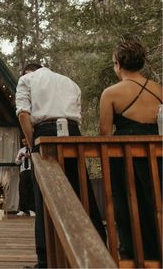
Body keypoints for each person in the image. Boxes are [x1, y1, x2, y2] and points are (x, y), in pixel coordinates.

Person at [16, 62, 105, 269]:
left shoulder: (26, 80)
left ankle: (46, 260)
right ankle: (97, 250)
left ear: (27, 71)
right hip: (73, 134)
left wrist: (32, 144)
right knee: (82, 193)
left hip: (45, 134)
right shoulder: (70, 82)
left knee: (44, 197)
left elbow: (22, 114)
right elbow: (78, 115)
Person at [99, 39, 162, 261]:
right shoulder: (159, 89)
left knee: (126, 202)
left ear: (118, 64)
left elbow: (105, 133)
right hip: (157, 153)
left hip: (123, 154)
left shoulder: (111, 93)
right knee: (157, 201)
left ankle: (132, 253)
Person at [15, 140, 35, 217]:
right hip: (23, 171)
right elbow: (16, 162)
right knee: (22, 190)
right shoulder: (21, 150)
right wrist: (19, 158)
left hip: (31, 170)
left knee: (32, 190)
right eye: (23, 142)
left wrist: (30, 157)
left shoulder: (33, 149)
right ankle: (23, 209)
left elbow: (38, 160)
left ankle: (32, 209)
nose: (25, 143)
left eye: (26, 142)